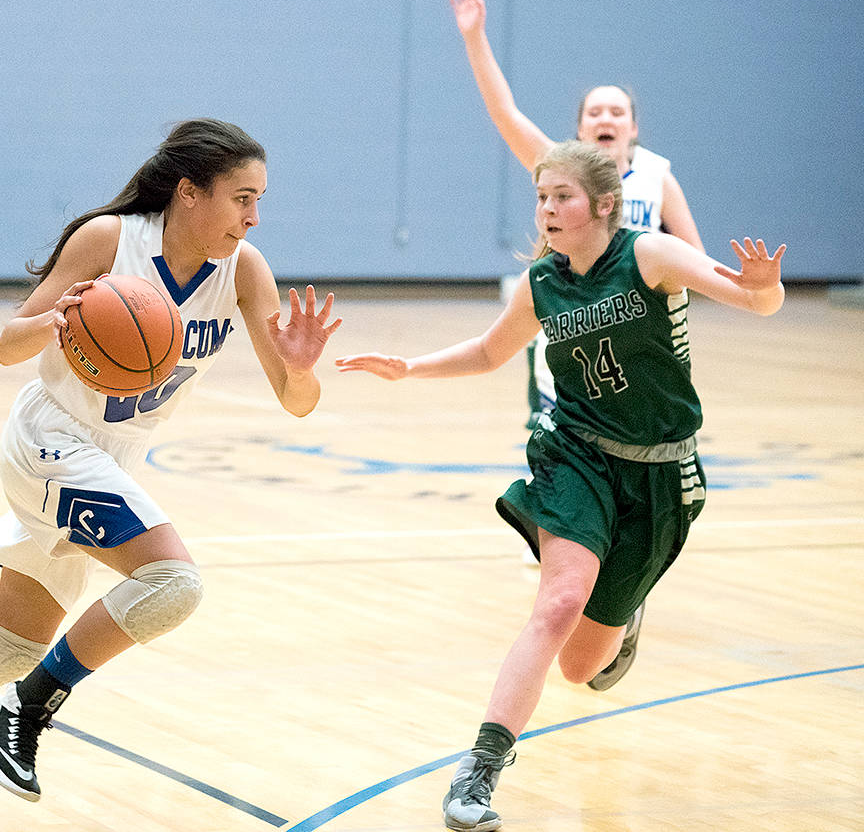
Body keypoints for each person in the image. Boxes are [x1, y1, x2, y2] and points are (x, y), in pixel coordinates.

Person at [0, 118, 342, 814]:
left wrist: (299, 368)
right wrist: (57, 323)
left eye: (259, 199)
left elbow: (298, 402)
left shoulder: (245, 269)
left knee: (7, 646)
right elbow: (4, 344)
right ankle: (23, 711)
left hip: (109, 460)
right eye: (242, 197)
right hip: (49, 438)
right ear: (190, 193)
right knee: (172, 582)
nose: (253, 216)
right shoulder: (112, 240)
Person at [336, 140, 785, 832]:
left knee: (580, 667)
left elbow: (754, 300)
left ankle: (625, 612)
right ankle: (480, 769)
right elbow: (491, 350)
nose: (547, 209)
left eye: (562, 197)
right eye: (542, 198)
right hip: (575, 453)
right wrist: (410, 367)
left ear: (604, 204)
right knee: (558, 600)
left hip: (660, 469)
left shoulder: (649, 256)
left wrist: (764, 282)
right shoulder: (543, 282)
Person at [448, 0, 705, 429]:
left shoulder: (658, 177)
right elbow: (505, 114)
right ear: (582, 129)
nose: (606, 118)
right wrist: (474, 37)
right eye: (595, 112)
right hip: (575, 333)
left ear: (633, 127)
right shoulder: (559, 168)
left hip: (639, 339)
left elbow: (696, 262)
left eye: (617, 112)